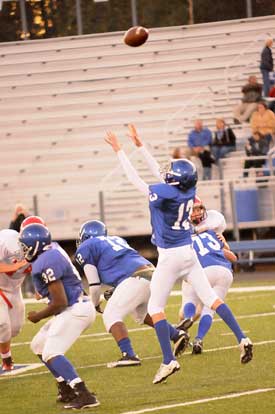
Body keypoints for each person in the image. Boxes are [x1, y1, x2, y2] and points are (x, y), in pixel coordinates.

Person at [105, 126, 253, 385]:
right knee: (210, 299)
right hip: (188, 252)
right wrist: (140, 146)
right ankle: (243, 338)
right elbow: (160, 175)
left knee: (155, 308)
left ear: (174, 181)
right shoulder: (187, 192)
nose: (166, 174)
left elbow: (137, 180)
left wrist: (119, 151)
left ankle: (168, 361)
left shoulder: (166, 194)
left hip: (171, 256)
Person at [75, 219, 189, 367]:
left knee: (111, 315)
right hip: (151, 273)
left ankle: (129, 354)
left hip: (135, 277)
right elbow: (123, 264)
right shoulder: (116, 239)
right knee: (140, 314)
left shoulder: (86, 247)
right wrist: (117, 289)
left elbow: (94, 285)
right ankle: (176, 334)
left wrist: (94, 304)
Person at [19, 224, 99, 409]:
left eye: (25, 246)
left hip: (75, 309)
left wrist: (38, 316)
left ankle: (84, 393)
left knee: (51, 352)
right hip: (74, 307)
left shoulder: (46, 261)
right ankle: (66, 387)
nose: (23, 250)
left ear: (36, 245)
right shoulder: (51, 250)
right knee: (38, 345)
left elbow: (60, 301)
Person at [178, 200, 237, 354]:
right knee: (209, 309)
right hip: (223, 270)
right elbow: (231, 256)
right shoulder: (211, 231)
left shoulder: (184, 235)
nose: (197, 213)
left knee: (188, 303)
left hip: (199, 268)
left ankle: (185, 326)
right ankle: (198, 339)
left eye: (199, 209)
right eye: (194, 210)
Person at [0, 229, 30, 371]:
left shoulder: (43, 249)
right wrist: (15, 265)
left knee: (15, 329)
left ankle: (5, 354)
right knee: (2, 324)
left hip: (15, 289)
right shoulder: (7, 240)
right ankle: (7, 359)